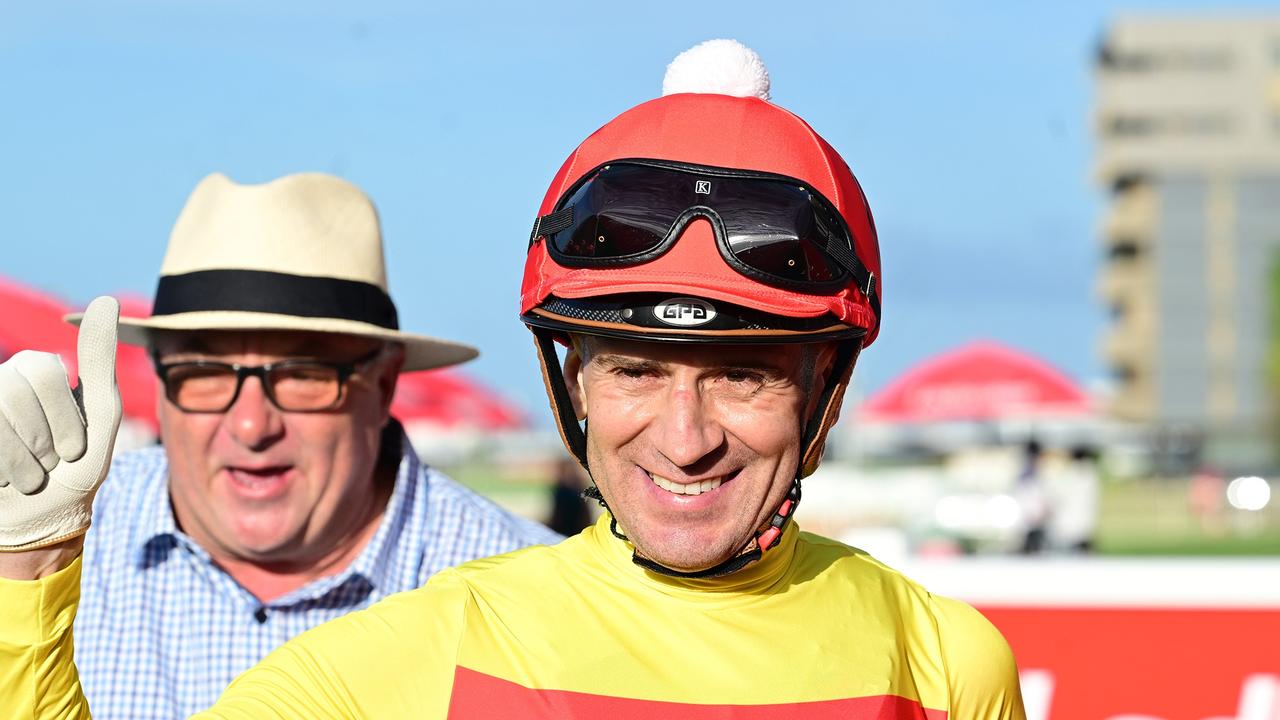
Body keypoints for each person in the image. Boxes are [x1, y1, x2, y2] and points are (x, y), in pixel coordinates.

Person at [0, 41, 1025, 718]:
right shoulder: (424, 651)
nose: (683, 435)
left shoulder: (947, 664)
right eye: (631, 369)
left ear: (826, 393)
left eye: (742, 376)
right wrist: (32, 579)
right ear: (570, 385)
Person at [0, 172, 559, 719]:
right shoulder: (38, 547)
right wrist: (25, 569)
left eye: (302, 373)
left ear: (384, 383)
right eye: (203, 371)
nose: (250, 425)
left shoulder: (532, 603)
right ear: (161, 380)